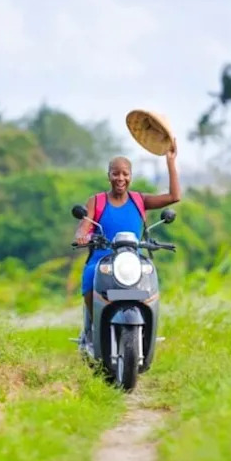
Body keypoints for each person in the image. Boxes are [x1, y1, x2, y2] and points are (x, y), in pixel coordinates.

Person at [74, 140, 181, 347]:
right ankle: (94, 327)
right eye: (116, 173)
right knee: (89, 279)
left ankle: (147, 331)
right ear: (109, 176)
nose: (120, 178)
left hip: (131, 258)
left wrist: (170, 162)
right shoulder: (96, 201)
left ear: (130, 176)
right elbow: (85, 225)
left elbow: (174, 196)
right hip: (102, 258)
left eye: (125, 174)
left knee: (150, 283)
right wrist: (82, 235)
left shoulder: (140, 200)